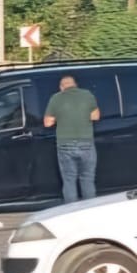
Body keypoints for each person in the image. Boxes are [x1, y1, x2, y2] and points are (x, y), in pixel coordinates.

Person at [43, 75, 100, 203]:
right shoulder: (87, 95)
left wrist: (61, 116)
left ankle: (70, 212)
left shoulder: (56, 98)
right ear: (75, 84)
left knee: (69, 180)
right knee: (87, 179)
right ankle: (89, 209)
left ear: (61, 87)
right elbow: (95, 116)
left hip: (65, 144)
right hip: (86, 143)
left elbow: (48, 123)